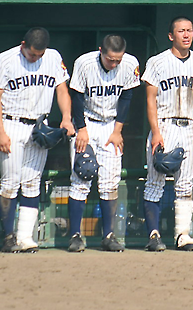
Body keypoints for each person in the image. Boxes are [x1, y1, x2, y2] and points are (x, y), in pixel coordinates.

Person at [0, 28, 74, 253]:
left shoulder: (53, 57)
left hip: (39, 125)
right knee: (10, 182)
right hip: (12, 122)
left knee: (31, 183)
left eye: (39, 54)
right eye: (32, 53)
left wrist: (66, 118)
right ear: (23, 44)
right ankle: (8, 237)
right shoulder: (6, 60)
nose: (35, 58)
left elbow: (62, 90)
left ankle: (25, 237)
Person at [66, 35, 140, 253]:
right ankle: (75, 236)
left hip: (110, 124)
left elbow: (126, 98)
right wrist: (81, 130)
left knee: (110, 182)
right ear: (101, 51)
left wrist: (118, 130)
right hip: (86, 121)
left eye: (118, 59)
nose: (114, 63)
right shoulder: (84, 63)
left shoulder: (130, 63)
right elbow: (77, 98)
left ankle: (108, 235)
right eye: (110, 59)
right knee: (81, 176)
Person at [141, 17, 193, 252]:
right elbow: (150, 99)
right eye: (181, 31)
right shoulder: (157, 62)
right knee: (155, 181)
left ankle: (182, 234)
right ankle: (153, 234)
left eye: (189, 30)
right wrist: (156, 132)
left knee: (185, 184)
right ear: (171, 36)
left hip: (188, 126)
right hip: (165, 124)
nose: (186, 35)